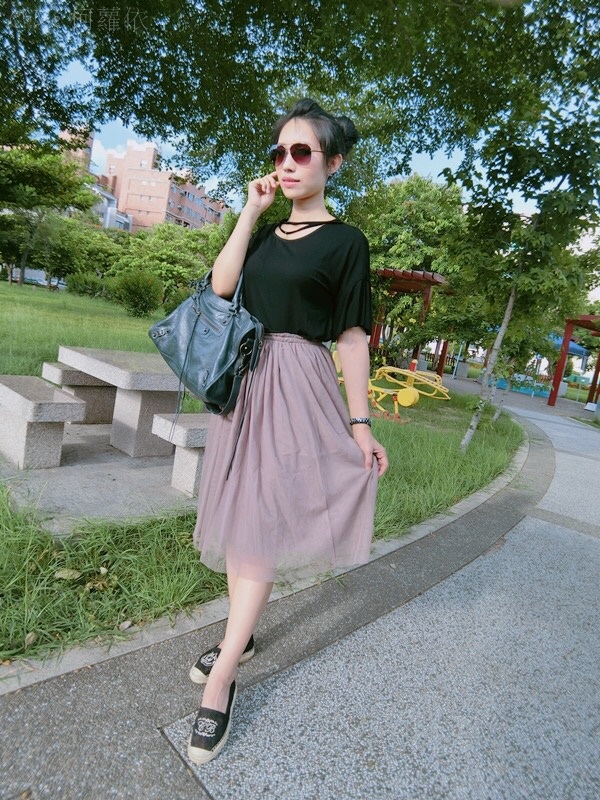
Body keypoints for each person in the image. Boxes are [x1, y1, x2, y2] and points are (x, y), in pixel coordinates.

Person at [187, 98, 389, 764]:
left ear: (335, 163)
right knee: (239, 510)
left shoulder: (347, 242)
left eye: (303, 152)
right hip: (244, 385)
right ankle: (240, 636)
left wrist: (360, 423)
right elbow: (221, 289)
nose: (288, 162)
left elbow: (352, 338)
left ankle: (222, 677)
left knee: (264, 516)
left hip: (298, 384)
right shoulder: (267, 233)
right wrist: (250, 212)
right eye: (280, 151)